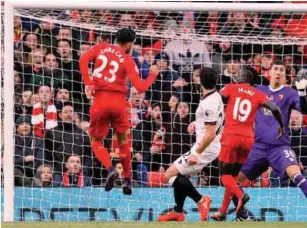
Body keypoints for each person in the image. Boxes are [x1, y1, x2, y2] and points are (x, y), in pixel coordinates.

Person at [236, 60, 307, 222]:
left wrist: (303, 92)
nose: (277, 72)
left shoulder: (290, 93)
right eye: (275, 69)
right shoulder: (258, 91)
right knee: (235, 181)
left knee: (297, 175)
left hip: (279, 147)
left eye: (281, 70)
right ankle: (242, 215)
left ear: (285, 75)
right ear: (269, 72)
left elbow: (304, 110)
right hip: (259, 147)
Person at [79, 27, 159, 195]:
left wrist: (88, 83)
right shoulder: (128, 59)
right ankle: (128, 178)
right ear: (129, 44)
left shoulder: (100, 47)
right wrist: (152, 75)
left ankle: (110, 169)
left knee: (95, 140)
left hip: (100, 101)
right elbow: (140, 86)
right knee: (123, 142)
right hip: (119, 104)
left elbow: (83, 59)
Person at [211, 69, 284, 221]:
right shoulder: (258, 94)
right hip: (248, 139)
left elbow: (217, 98)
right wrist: (281, 126)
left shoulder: (231, 87)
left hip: (230, 136)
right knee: (233, 178)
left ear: (242, 77)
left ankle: (241, 195)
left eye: (238, 74)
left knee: (224, 176)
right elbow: (275, 109)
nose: (236, 76)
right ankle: (223, 211)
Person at [157, 68, 223, 222]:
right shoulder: (215, 96)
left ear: (200, 81)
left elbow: (210, 133)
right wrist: (197, 122)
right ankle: (177, 211)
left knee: (169, 174)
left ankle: (201, 200)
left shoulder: (209, 103)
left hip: (205, 148)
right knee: (179, 176)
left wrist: (197, 153)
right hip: (208, 145)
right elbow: (213, 122)